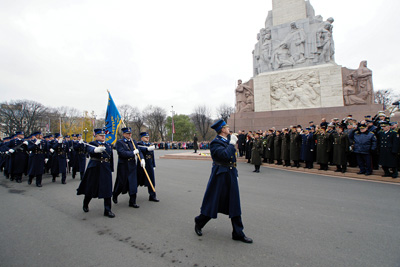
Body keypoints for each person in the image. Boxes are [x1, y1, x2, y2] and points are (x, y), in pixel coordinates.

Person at [194, 120, 252, 244]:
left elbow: (232, 159)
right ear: (221, 129)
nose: (228, 128)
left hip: (230, 173)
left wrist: (235, 173)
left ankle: (238, 232)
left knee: (234, 202)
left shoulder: (227, 140)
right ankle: (200, 221)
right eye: (226, 127)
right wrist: (231, 145)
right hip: (220, 175)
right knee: (214, 201)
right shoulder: (215, 142)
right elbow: (224, 156)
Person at [77, 128, 115, 218]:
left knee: (107, 188)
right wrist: (96, 150)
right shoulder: (92, 144)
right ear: (96, 136)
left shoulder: (108, 145)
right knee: (91, 187)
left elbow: (111, 158)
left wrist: (111, 169)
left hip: (105, 168)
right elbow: (89, 149)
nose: (103, 137)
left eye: (103, 135)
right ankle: (86, 203)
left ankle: (107, 210)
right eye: (100, 135)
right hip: (95, 167)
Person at [112, 127, 144, 208]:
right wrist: (132, 153)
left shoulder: (133, 142)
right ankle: (115, 194)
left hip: (132, 165)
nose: (129, 135)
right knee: (121, 183)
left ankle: (132, 202)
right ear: (123, 134)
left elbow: (139, 150)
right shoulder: (120, 142)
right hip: (123, 165)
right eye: (127, 133)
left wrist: (142, 159)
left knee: (133, 183)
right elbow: (122, 153)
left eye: (130, 133)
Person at [137, 132, 159, 202]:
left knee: (151, 180)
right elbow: (141, 149)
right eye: (145, 137)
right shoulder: (139, 144)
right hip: (141, 165)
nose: (147, 138)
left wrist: (153, 165)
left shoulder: (150, 144)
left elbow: (152, 156)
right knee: (137, 180)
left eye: (148, 137)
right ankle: (132, 195)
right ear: (142, 138)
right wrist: (147, 149)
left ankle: (152, 195)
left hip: (149, 164)